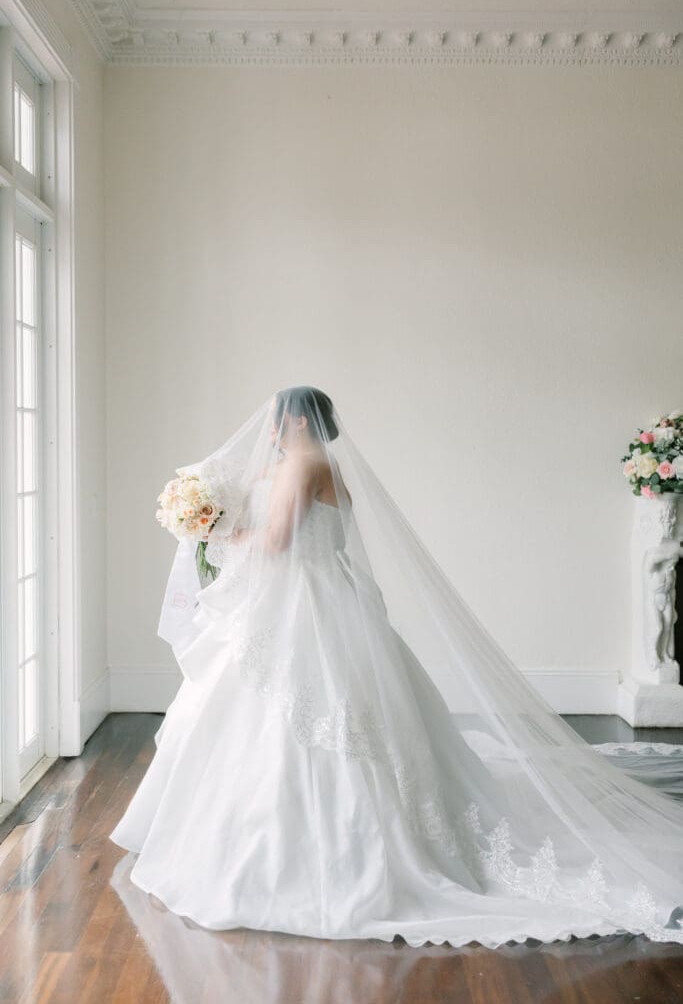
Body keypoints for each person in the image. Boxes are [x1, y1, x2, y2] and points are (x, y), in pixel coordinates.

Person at [110, 386, 683, 949]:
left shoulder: (303, 463)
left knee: (302, 717)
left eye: (277, 419)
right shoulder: (314, 463)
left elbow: (280, 541)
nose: (269, 430)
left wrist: (216, 529)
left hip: (301, 603)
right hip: (320, 599)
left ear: (300, 422)